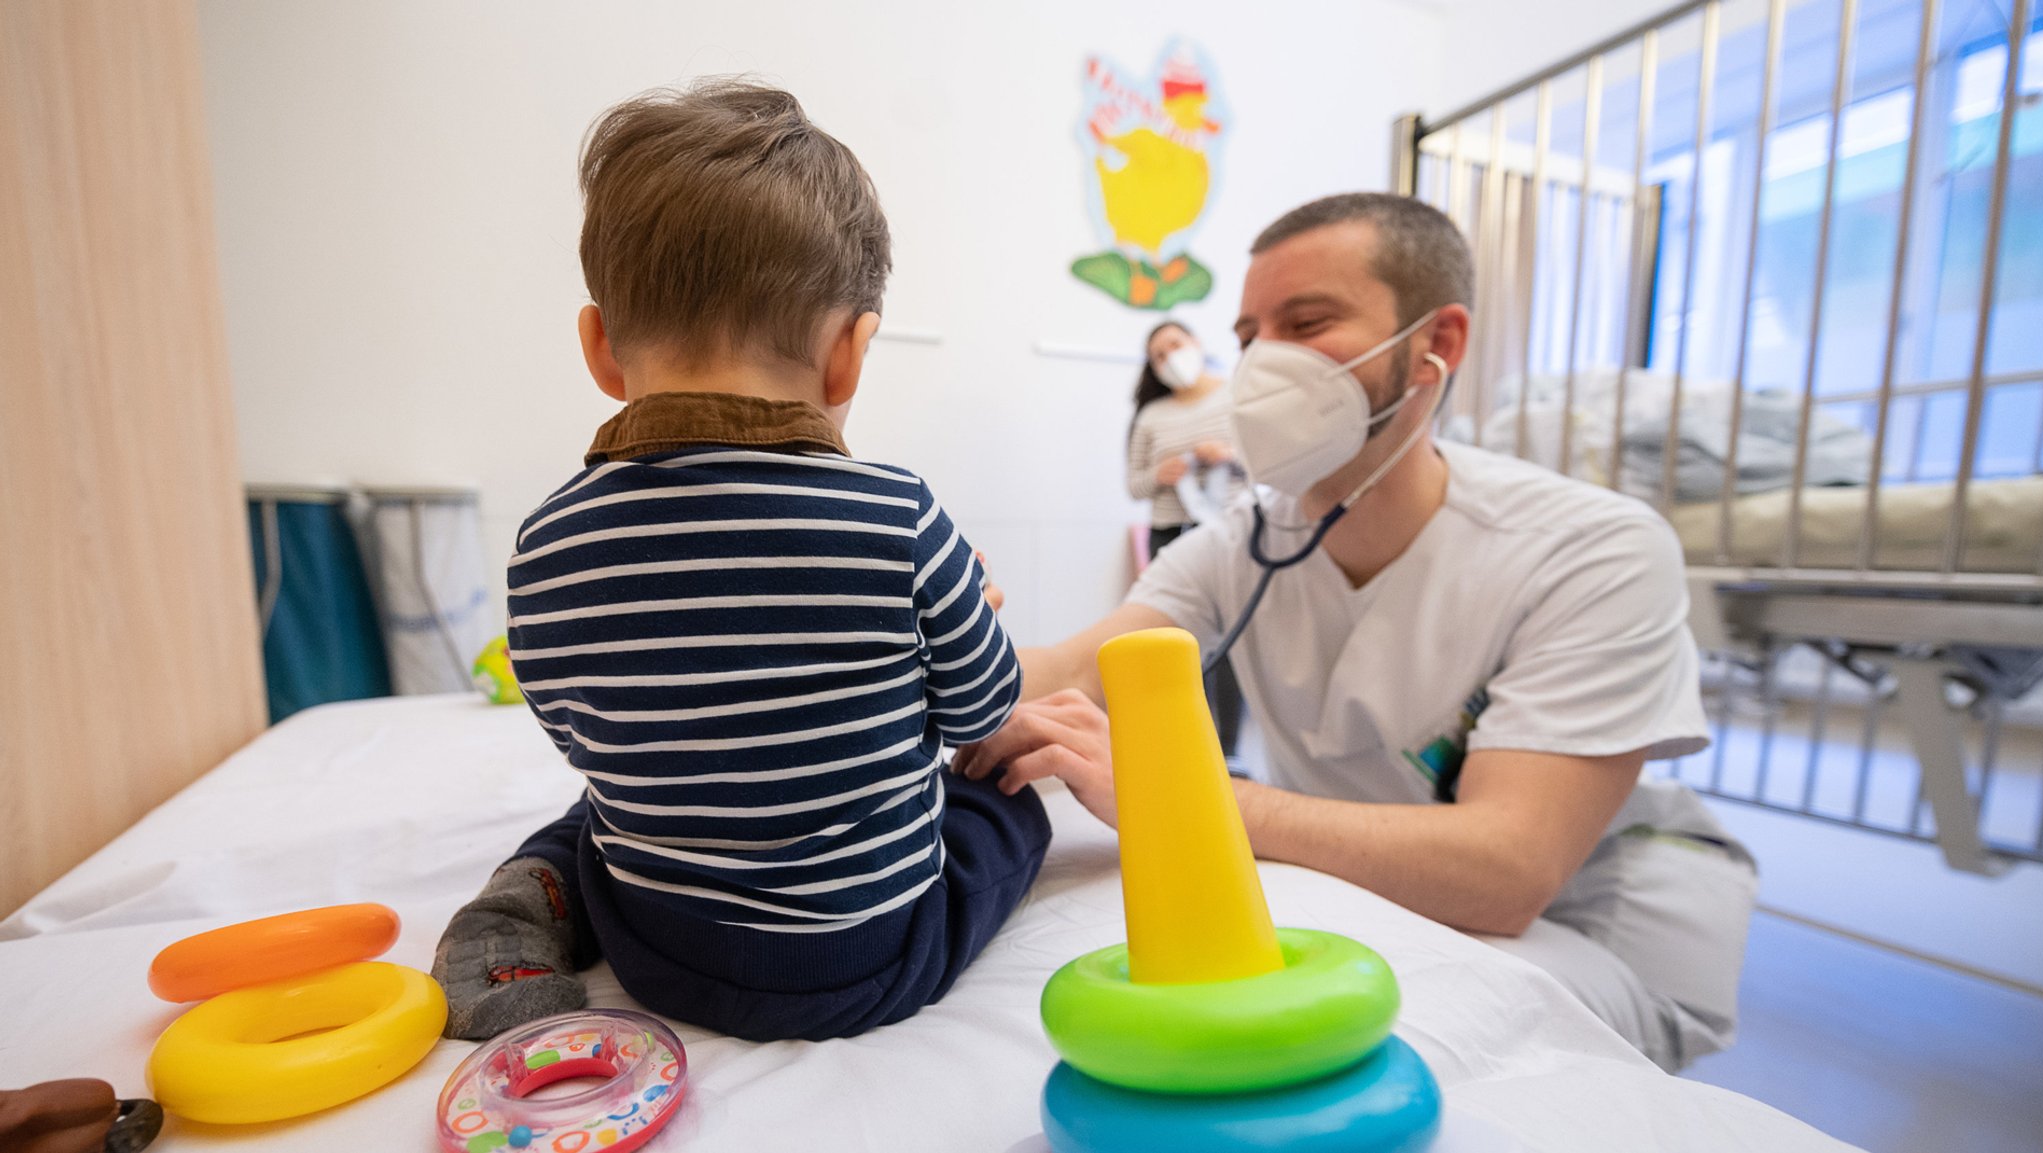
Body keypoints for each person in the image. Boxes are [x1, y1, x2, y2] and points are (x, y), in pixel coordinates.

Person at [957, 192, 1757, 1073]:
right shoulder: (1244, 541)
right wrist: (920, 631)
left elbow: (1508, 870)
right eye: (1252, 333)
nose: (1264, 362)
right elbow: (1071, 669)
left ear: (1435, 346)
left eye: (1308, 322)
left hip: (1587, 920)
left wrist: (1173, 792)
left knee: (1354, 1045)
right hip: (1369, 885)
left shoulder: (1593, 549)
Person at [431, 80, 1050, 1044]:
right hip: (871, 958)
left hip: (659, 950)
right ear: (850, 355)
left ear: (599, 346)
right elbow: (982, 712)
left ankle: (540, 890)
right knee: (1006, 807)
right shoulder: (899, 513)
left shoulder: (546, 541)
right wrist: (965, 608)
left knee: (606, 808)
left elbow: (583, 736)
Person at [1124, 319, 1245, 754]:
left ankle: (1227, 749)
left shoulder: (1236, 396)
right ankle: (1190, 742)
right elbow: (1133, 484)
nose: (1169, 356)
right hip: (1169, 536)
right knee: (1178, 643)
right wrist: (1159, 474)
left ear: (1196, 341)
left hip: (1227, 535)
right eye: (1158, 354)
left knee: (1230, 643)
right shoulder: (1151, 416)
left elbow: (1267, 464)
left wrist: (1229, 457)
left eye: (1175, 344)